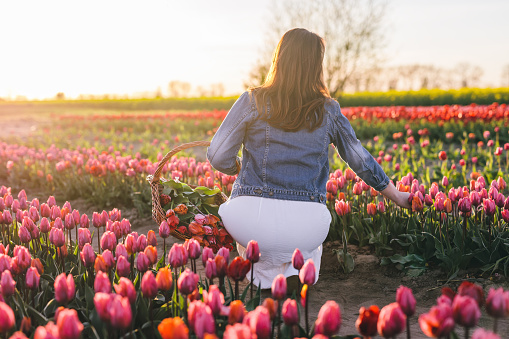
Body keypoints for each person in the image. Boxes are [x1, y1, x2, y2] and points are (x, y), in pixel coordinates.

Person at [207, 28, 410, 289]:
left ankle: (264, 278)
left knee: (258, 238)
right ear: (316, 66)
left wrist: (236, 166)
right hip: (305, 224)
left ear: (279, 59)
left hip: (252, 221)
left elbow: (217, 154)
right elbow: (359, 158)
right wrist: (397, 195)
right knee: (304, 242)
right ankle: (297, 271)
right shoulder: (328, 110)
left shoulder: (252, 100)